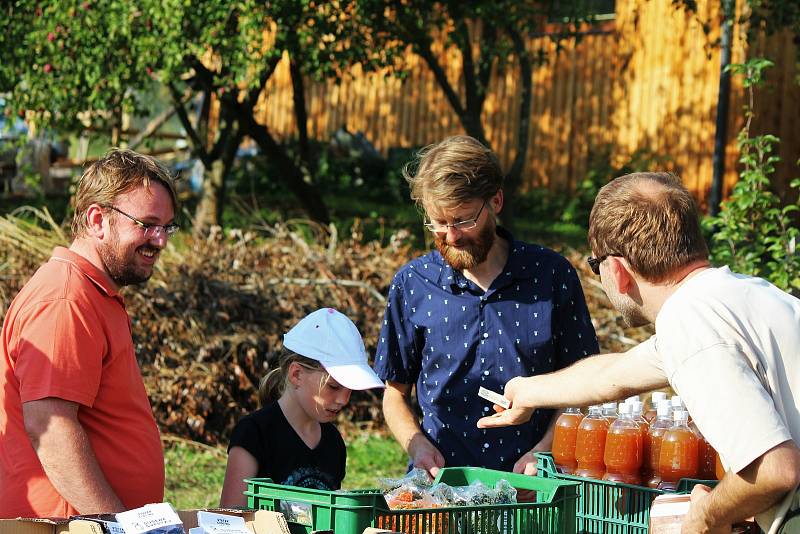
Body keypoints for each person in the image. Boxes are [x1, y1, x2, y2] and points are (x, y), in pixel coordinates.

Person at [478, 171, 800, 533]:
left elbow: (774, 470)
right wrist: (528, 391)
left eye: (595, 265)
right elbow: (612, 377)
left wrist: (706, 516)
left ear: (616, 270)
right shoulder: (741, 295)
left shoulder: (690, 320)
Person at [373, 135, 599, 477]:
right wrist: (415, 443)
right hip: (440, 486)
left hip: (536, 487)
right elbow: (395, 393)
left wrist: (545, 451)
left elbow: (585, 385)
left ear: (496, 201)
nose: (451, 236)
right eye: (438, 222)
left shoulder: (551, 275)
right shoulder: (412, 283)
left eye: (463, 220)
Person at [0, 149, 179, 517]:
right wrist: (116, 525)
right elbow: (50, 429)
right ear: (98, 220)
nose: (160, 241)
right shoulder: (66, 300)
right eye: (146, 224)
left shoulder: (94, 293)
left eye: (167, 227)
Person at [219, 308, 385, 506]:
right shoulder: (254, 433)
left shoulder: (334, 442)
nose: (343, 400)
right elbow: (229, 518)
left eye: (350, 389)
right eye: (333, 386)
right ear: (296, 374)